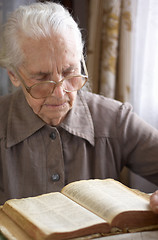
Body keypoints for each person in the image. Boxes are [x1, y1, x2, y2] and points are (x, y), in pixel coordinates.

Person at [0, 2, 158, 213]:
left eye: (69, 71)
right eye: (41, 78)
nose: (60, 93)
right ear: (14, 76)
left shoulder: (115, 119)